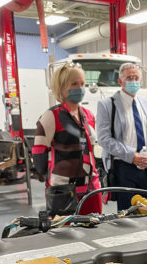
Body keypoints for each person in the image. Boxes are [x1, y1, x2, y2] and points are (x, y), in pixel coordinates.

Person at [32, 63, 102, 215]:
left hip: (91, 188)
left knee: (95, 230)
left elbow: (92, 148)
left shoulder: (88, 115)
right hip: (63, 190)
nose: (80, 88)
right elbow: (39, 152)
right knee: (66, 235)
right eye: (74, 84)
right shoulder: (52, 116)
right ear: (62, 88)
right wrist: (47, 176)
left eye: (82, 84)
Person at [96, 63, 147, 210]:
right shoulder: (107, 105)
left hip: (146, 167)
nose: (133, 81)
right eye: (129, 78)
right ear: (120, 81)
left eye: (136, 77)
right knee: (127, 214)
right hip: (124, 167)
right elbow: (104, 138)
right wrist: (132, 155)